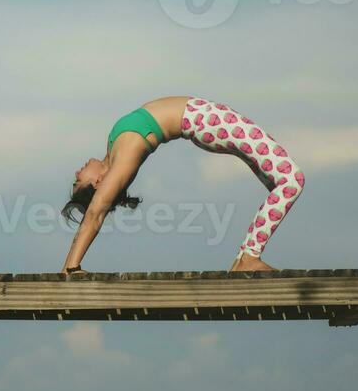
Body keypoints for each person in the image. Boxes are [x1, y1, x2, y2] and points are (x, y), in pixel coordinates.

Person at [61, 96, 305, 273]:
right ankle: (249, 257)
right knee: (292, 180)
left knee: (280, 181)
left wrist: (66, 268)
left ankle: (246, 257)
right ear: (98, 183)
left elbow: (93, 212)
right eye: (77, 180)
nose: (77, 171)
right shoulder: (122, 162)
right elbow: (95, 213)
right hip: (206, 122)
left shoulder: (114, 151)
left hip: (208, 119)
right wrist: (71, 268)